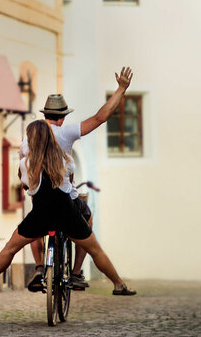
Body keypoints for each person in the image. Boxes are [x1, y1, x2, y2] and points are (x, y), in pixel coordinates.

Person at [0, 120, 135, 296]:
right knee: (95, 250)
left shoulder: (25, 164)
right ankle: (118, 284)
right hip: (67, 214)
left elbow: (26, 185)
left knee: (10, 248)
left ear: (32, 140)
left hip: (41, 215)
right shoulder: (65, 159)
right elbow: (70, 184)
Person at [25, 67, 133, 292]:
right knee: (87, 219)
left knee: (33, 224)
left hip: (40, 196)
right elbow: (100, 117)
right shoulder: (66, 132)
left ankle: (38, 268)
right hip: (64, 198)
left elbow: (22, 168)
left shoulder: (33, 134)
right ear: (63, 117)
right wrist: (121, 89)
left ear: (45, 115)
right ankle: (75, 273)